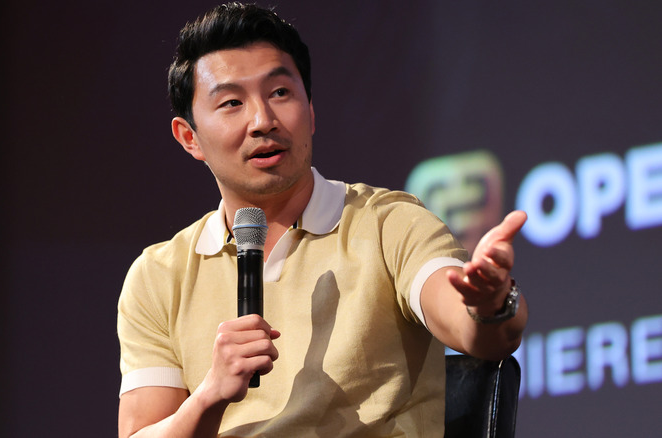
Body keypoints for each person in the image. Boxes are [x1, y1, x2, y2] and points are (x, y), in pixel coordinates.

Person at [116, 3, 528, 437]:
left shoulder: (387, 222)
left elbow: (476, 330)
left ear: (310, 113)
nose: (263, 121)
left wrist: (489, 305)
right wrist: (210, 395)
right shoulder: (159, 275)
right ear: (189, 138)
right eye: (232, 102)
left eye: (279, 93)